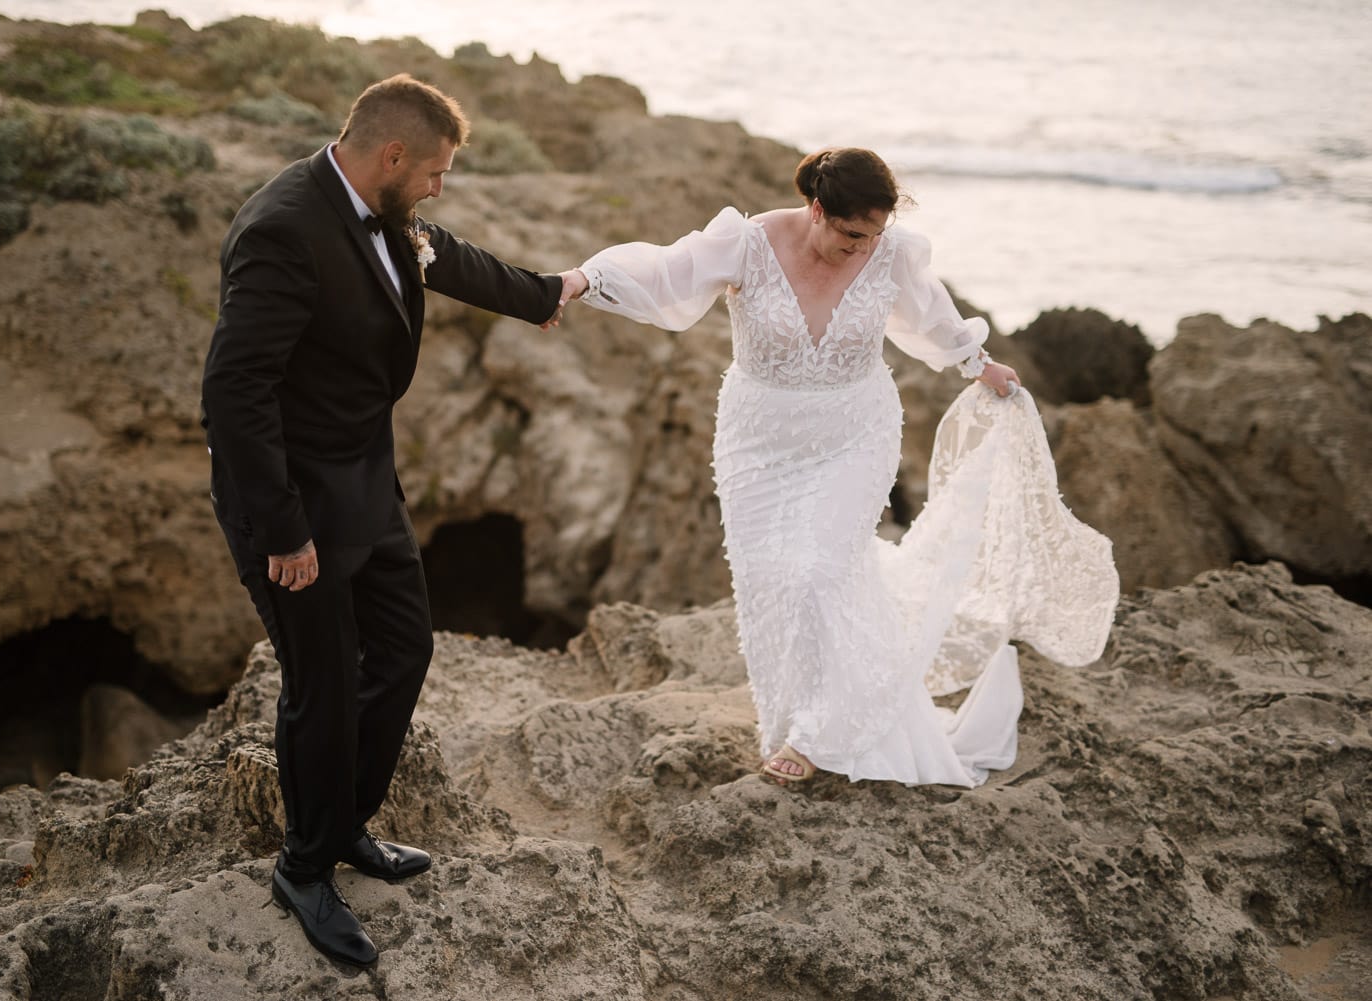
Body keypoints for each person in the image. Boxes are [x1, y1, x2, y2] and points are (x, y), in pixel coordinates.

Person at [564, 147, 1117, 789]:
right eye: (852, 235)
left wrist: (978, 363)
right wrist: (585, 280)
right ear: (817, 209)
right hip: (758, 440)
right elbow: (667, 272)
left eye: (874, 236)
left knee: (823, 569)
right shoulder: (746, 242)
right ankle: (790, 721)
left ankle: (820, 733)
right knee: (771, 579)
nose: (863, 249)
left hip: (856, 431)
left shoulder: (891, 253)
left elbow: (932, 314)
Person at [200, 74, 586, 968]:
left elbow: (439, 252)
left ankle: (345, 827)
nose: (441, 189)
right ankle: (304, 868)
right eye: (437, 172)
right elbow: (233, 391)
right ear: (393, 155)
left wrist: (546, 293)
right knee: (322, 684)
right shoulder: (280, 229)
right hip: (294, 503)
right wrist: (284, 532)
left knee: (406, 649)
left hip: (366, 480)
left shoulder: (384, 206)